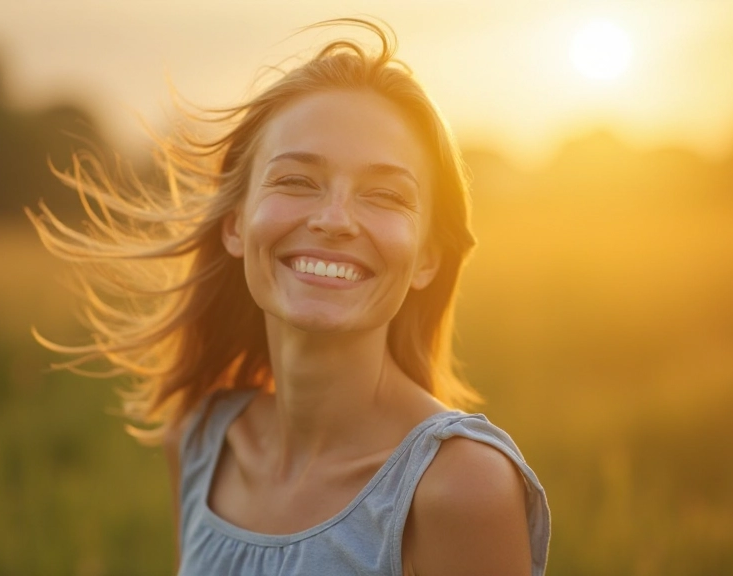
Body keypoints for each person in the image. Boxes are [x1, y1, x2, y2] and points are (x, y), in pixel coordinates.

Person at [29, 18, 549, 576]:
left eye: (383, 194)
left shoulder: (461, 486)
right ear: (235, 224)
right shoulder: (199, 441)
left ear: (427, 258)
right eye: (296, 181)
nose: (334, 219)